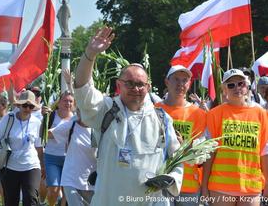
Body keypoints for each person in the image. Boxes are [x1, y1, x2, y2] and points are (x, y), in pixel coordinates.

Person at [73, 26, 183, 206]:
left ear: (148, 87)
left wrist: (171, 179)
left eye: (141, 84)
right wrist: (90, 54)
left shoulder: (161, 119)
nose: (136, 89)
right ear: (119, 85)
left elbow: (177, 157)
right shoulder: (106, 110)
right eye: (129, 83)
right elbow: (82, 89)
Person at [202, 68, 268, 206]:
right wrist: (204, 186)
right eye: (231, 85)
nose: (237, 87)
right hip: (221, 186)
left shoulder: (261, 114)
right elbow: (210, 152)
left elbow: (264, 153)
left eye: (241, 83)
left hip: (251, 186)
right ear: (224, 90)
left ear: (247, 86)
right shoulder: (214, 114)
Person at [155, 65, 206, 205]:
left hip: (188, 185)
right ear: (167, 82)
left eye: (185, 80)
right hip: (159, 182)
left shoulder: (198, 114)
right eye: (176, 79)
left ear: (189, 84)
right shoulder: (154, 110)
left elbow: (201, 155)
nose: (180, 84)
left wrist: (184, 145)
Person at [0, 90, 43, 206]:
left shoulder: (37, 122)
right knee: (11, 201)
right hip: (10, 165)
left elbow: (38, 146)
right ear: (19, 105)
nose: (27, 108)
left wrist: (42, 165)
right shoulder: (8, 118)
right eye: (25, 105)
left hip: (31, 165)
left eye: (31, 106)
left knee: (31, 199)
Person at [49, 107, 96, 206]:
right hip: (71, 180)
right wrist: (44, 118)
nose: (81, 113)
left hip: (92, 182)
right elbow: (47, 134)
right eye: (79, 110)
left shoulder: (98, 129)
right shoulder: (71, 125)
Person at [44, 90, 74, 206]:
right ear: (59, 102)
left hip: (69, 158)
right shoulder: (51, 115)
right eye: (65, 100)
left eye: (71, 101)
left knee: (67, 189)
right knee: (54, 189)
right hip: (51, 157)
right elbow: (42, 134)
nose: (68, 103)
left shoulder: (75, 119)